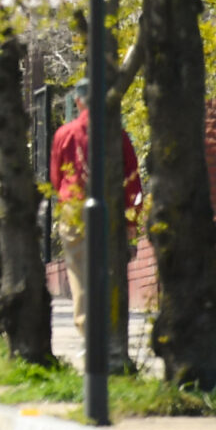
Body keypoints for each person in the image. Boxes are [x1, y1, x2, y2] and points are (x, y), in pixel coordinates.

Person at [51, 84, 142, 337]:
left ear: (78, 102)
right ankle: (109, 328)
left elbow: (56, 177)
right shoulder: (117, 135)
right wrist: (132, 218)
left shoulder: (64, 134)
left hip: (73, 207)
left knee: (79, 272)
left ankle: (87, 333)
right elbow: (132, 178)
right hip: (109, 209)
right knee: (108, 268)